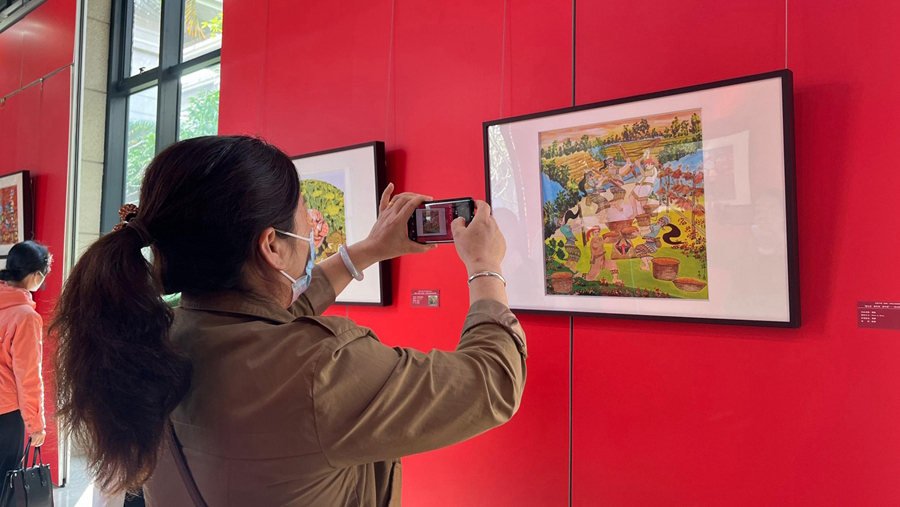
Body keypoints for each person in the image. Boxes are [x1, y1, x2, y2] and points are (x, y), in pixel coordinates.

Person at [51, 135, 526, 506]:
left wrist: (370, 250)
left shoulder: (155, 335)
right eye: (303, 220)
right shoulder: (320, 368)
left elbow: (271, 317)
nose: (310, 233)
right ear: (271, 245)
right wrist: (485, 266)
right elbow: (491, 383)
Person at [0, 241, 51, 481]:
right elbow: (28, 374)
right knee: (6, 482)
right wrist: (35, 423)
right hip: (6, 413)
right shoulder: (25, 316)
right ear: (35, 275)